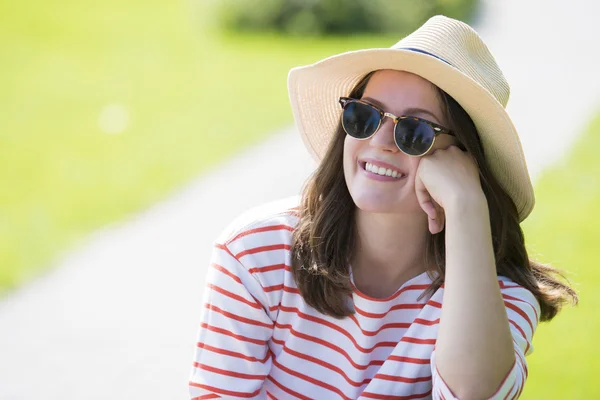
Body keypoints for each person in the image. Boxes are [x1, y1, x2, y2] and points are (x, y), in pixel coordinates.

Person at [188, 15, 577, 399]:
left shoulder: (497, 297)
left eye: (416, 131)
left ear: (463, 162)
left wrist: (464, 206)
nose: (380, 140)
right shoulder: (255, 253)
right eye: (365, 115)